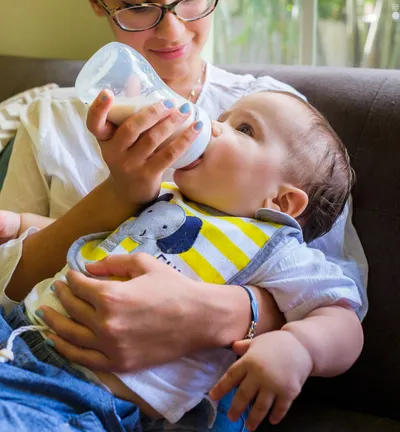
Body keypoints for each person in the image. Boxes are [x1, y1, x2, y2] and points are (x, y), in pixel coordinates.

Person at [0, 0, 367, 430]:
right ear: (97, 1)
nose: (172, 31)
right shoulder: (51, 117)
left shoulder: (279, 121)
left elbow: (337, 293)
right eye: (138, 5)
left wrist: (222, 315)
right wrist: (119, 193)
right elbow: (14, 284)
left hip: (104, 401)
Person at [0, 90, 363, 432]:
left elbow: (342, 318)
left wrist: (299, 347)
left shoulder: (277, 250)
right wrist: (20, 223)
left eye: (244, 129)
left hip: (81, 398)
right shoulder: (165, 197)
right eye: (223, 117)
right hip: (15, 333)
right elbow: (97, 242)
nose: (214, 126)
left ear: (281, 202)